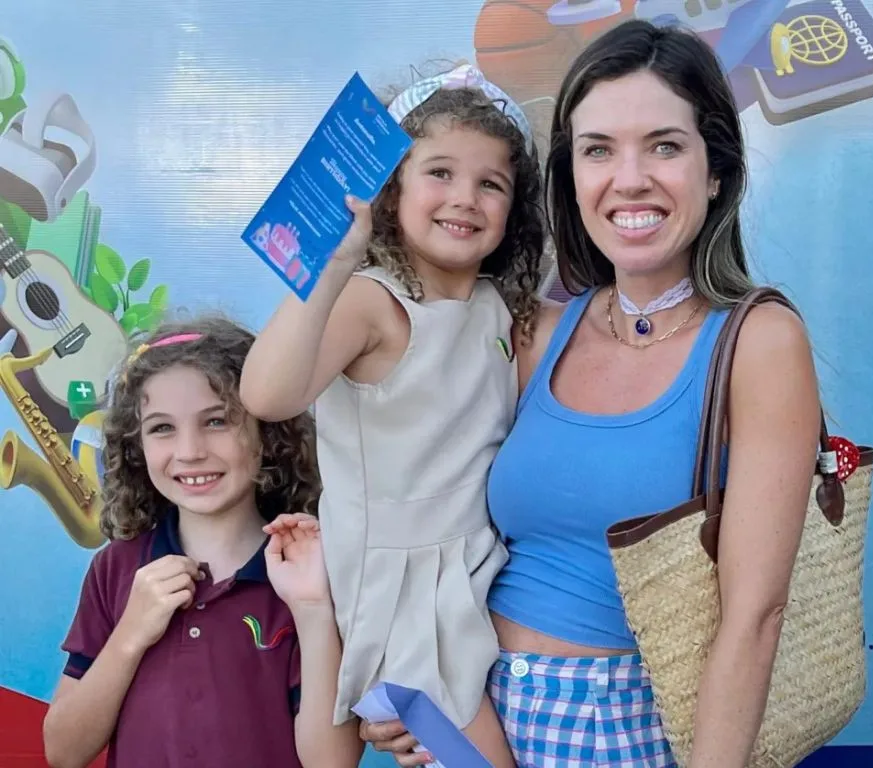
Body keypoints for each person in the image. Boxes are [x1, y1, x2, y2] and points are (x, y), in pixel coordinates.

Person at [362, 19, 824, 767]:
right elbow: (430, 522)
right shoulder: (533, 333)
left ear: (716, 171)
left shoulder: (758, 342)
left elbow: (756, 615)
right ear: (570, 176)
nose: (630, 178)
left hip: (628, 732)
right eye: (598, 149)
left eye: (665, 146)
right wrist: (418, 684)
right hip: (478, 716)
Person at [240, 61, 544, 767]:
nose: (464, 197)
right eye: (439, 172)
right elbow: (266, 394)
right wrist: (333, 266)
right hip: (406, 593)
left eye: (490, 183)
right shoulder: (372, 301)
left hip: (481, 572)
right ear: (391, 188)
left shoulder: (500, 310)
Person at [42, 317, 361, 768]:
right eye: (162, 428)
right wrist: (131, 634)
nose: (189, 451)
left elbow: (334, 763)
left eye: (216, 421)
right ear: (136, 446)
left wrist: (312, 611)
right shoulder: (116, 568)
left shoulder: (309, 569)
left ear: (267, 434)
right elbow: (63, 752)